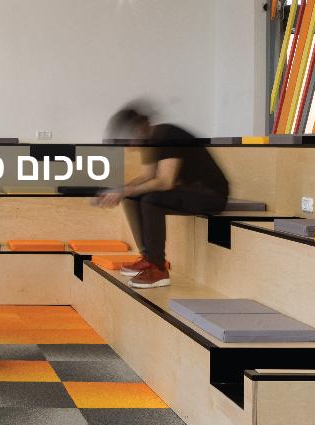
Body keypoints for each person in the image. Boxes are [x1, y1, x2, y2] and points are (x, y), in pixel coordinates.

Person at [93, 102, 229, 289]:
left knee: (152, 199)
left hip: (212, 196)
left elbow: (165, 182)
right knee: (132, 197)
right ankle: (148, 258)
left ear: (138, 130)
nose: (129, 146)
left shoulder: (168, 135)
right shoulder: (149, 141)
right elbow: (147, 177)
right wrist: (119, 190)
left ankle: (158, 268)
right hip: (190, 191)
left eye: (128, 140)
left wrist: (124, 191)